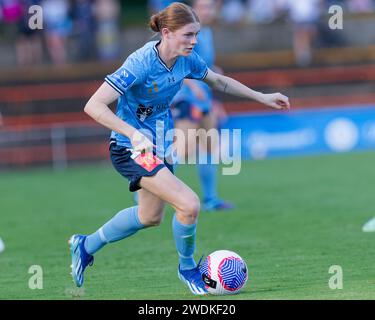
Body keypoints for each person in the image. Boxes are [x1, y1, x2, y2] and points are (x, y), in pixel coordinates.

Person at [69, 2, 290, 295]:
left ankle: (86, 244)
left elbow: (219, 82)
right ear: (166, 33)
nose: (194, 41)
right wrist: (133, 134)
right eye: (188, 35)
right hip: (130, 148)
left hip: (161, 144)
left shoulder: (188, 59)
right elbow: (93, 105)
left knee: (149, 217)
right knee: (189, 204)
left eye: (196, 34)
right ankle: (187, 268)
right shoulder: (140, 62)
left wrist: (261, 97)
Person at [171, 0, 233, 212]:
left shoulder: (206, 33)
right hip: (186, 97)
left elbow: (202, 66)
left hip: (204, 98)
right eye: (203, 6)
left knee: (208, 146)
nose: (208, 11)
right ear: (194, 10)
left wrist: (215, 71)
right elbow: (177, 62)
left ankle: (211, 199)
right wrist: (191, 84)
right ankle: (150, 191)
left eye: (210, 6)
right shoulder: (186, 32)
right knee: (182, 148)